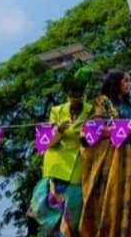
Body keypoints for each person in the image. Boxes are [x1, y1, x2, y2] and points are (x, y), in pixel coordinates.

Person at [79, 69, 131, 237]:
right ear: (115, 82)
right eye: (125, 80)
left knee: (129, 205)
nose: (129, 83)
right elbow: (91, 131)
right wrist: (129, 129)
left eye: (130, 80)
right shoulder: (103, 102)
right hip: (111, 159)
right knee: (110, 203)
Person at [29, 68, 93, 237]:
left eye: (79, 94)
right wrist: (58, 130)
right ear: (68, 95)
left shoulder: (92, 111)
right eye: (73, 94)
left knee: (73, 218)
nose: (76, 98)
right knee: (52, 218)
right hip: (56, 170)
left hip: (78, 171)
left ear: (85, 94)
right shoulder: (56, 111)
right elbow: (47, 142)